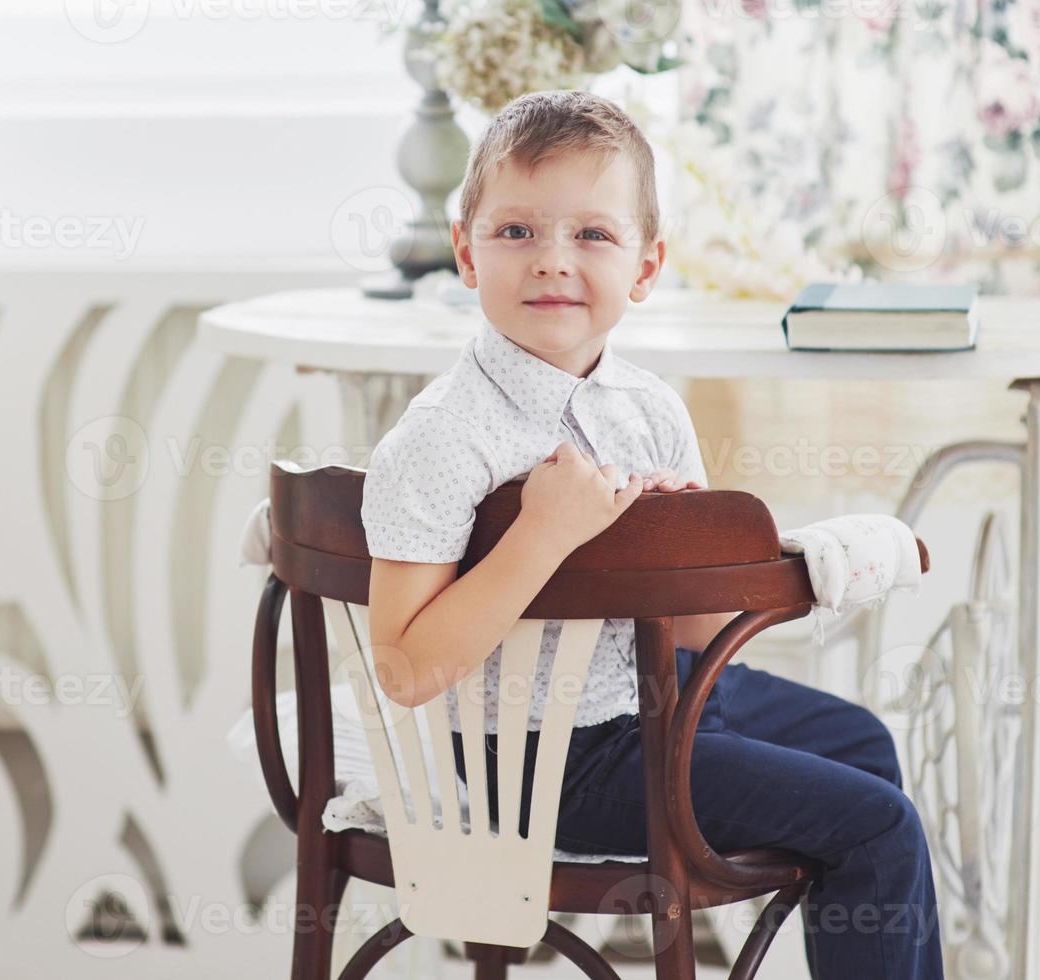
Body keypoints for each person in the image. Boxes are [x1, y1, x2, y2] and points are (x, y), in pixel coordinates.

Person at [359, 88, 943, 979]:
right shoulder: (443, 436)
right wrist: (541, 534)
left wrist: (680, 558)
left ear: (645, 265)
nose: (553, 261)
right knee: (877, 823)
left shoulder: (649, 410)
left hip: (659, 693)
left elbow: (705, 638)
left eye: (592, 235)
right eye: (517, 232)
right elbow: (403, 669)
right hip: (539, 762)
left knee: (863, 743)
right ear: (465, 253)